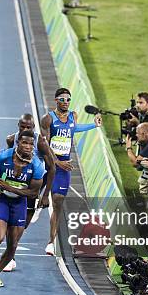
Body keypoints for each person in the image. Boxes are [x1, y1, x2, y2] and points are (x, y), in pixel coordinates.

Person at [40, 88, 102, 256]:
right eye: (62, 99)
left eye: (68, 99)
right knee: (34, 198)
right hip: (47, 164)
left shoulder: (73, 116)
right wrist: (57, 162)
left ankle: (51, 242)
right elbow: (44, 146)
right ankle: (36, 206)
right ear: (56, 100)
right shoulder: (47, 119)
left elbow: (75, 128)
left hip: (63, 166)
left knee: (58, 202)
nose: (66, 101)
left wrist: (93, 125)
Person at [0, 129, 44, 287]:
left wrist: (10, 188)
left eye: (31, 143)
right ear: (18, 143)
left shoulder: (37, 165)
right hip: (2, 200)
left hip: (19, 204)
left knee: (12, 246)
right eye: (25, 143)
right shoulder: (4, 155)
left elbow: (34, 192)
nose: (28, 146)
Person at [3, 113, 56, 271]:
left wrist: (45, 195)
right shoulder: (11, 140)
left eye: (29, 127)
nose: (26, 130)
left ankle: (11, 250)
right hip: (17, 183)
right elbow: (7, 161)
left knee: (22, 224)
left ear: (34, 128)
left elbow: (52, 167)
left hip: (35, 185)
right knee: (12, 223)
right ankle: (10, 256)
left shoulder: (40, 142)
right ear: (18, 126)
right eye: (23, 127)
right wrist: (3, 182)